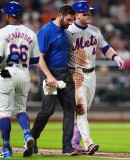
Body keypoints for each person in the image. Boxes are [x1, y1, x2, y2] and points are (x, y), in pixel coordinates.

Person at [66, 1, 125, 155]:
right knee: (81, 110)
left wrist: (116, 57)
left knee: (85, 110)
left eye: (89, 12)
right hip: (76, 73)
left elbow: (105, 47)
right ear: (76, 15)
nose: (89, 15)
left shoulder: (94, 30)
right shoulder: (68, 31)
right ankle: (88, 143)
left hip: (91, 74)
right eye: (85, 13)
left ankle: (74, 141)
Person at [0, 1, 39, 158]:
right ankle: (27, 134)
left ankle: (6, 150)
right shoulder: (31, 33)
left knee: (4, 113)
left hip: (6, 72)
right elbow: (36, 60)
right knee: (20, 110)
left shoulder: (2, 32)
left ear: (8, 15)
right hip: (24, 73)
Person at [31, 5, 78, 156]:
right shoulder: (46, 31)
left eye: (72, 20)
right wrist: (49, 76)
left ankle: (67, 147)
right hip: (50, 74)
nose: (70, 23)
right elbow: (39, 57)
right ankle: (32, 138)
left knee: (70, 110)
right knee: (48, 110)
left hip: (65, 74)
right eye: (68, 20)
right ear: (60, 15)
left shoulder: (64, 31)